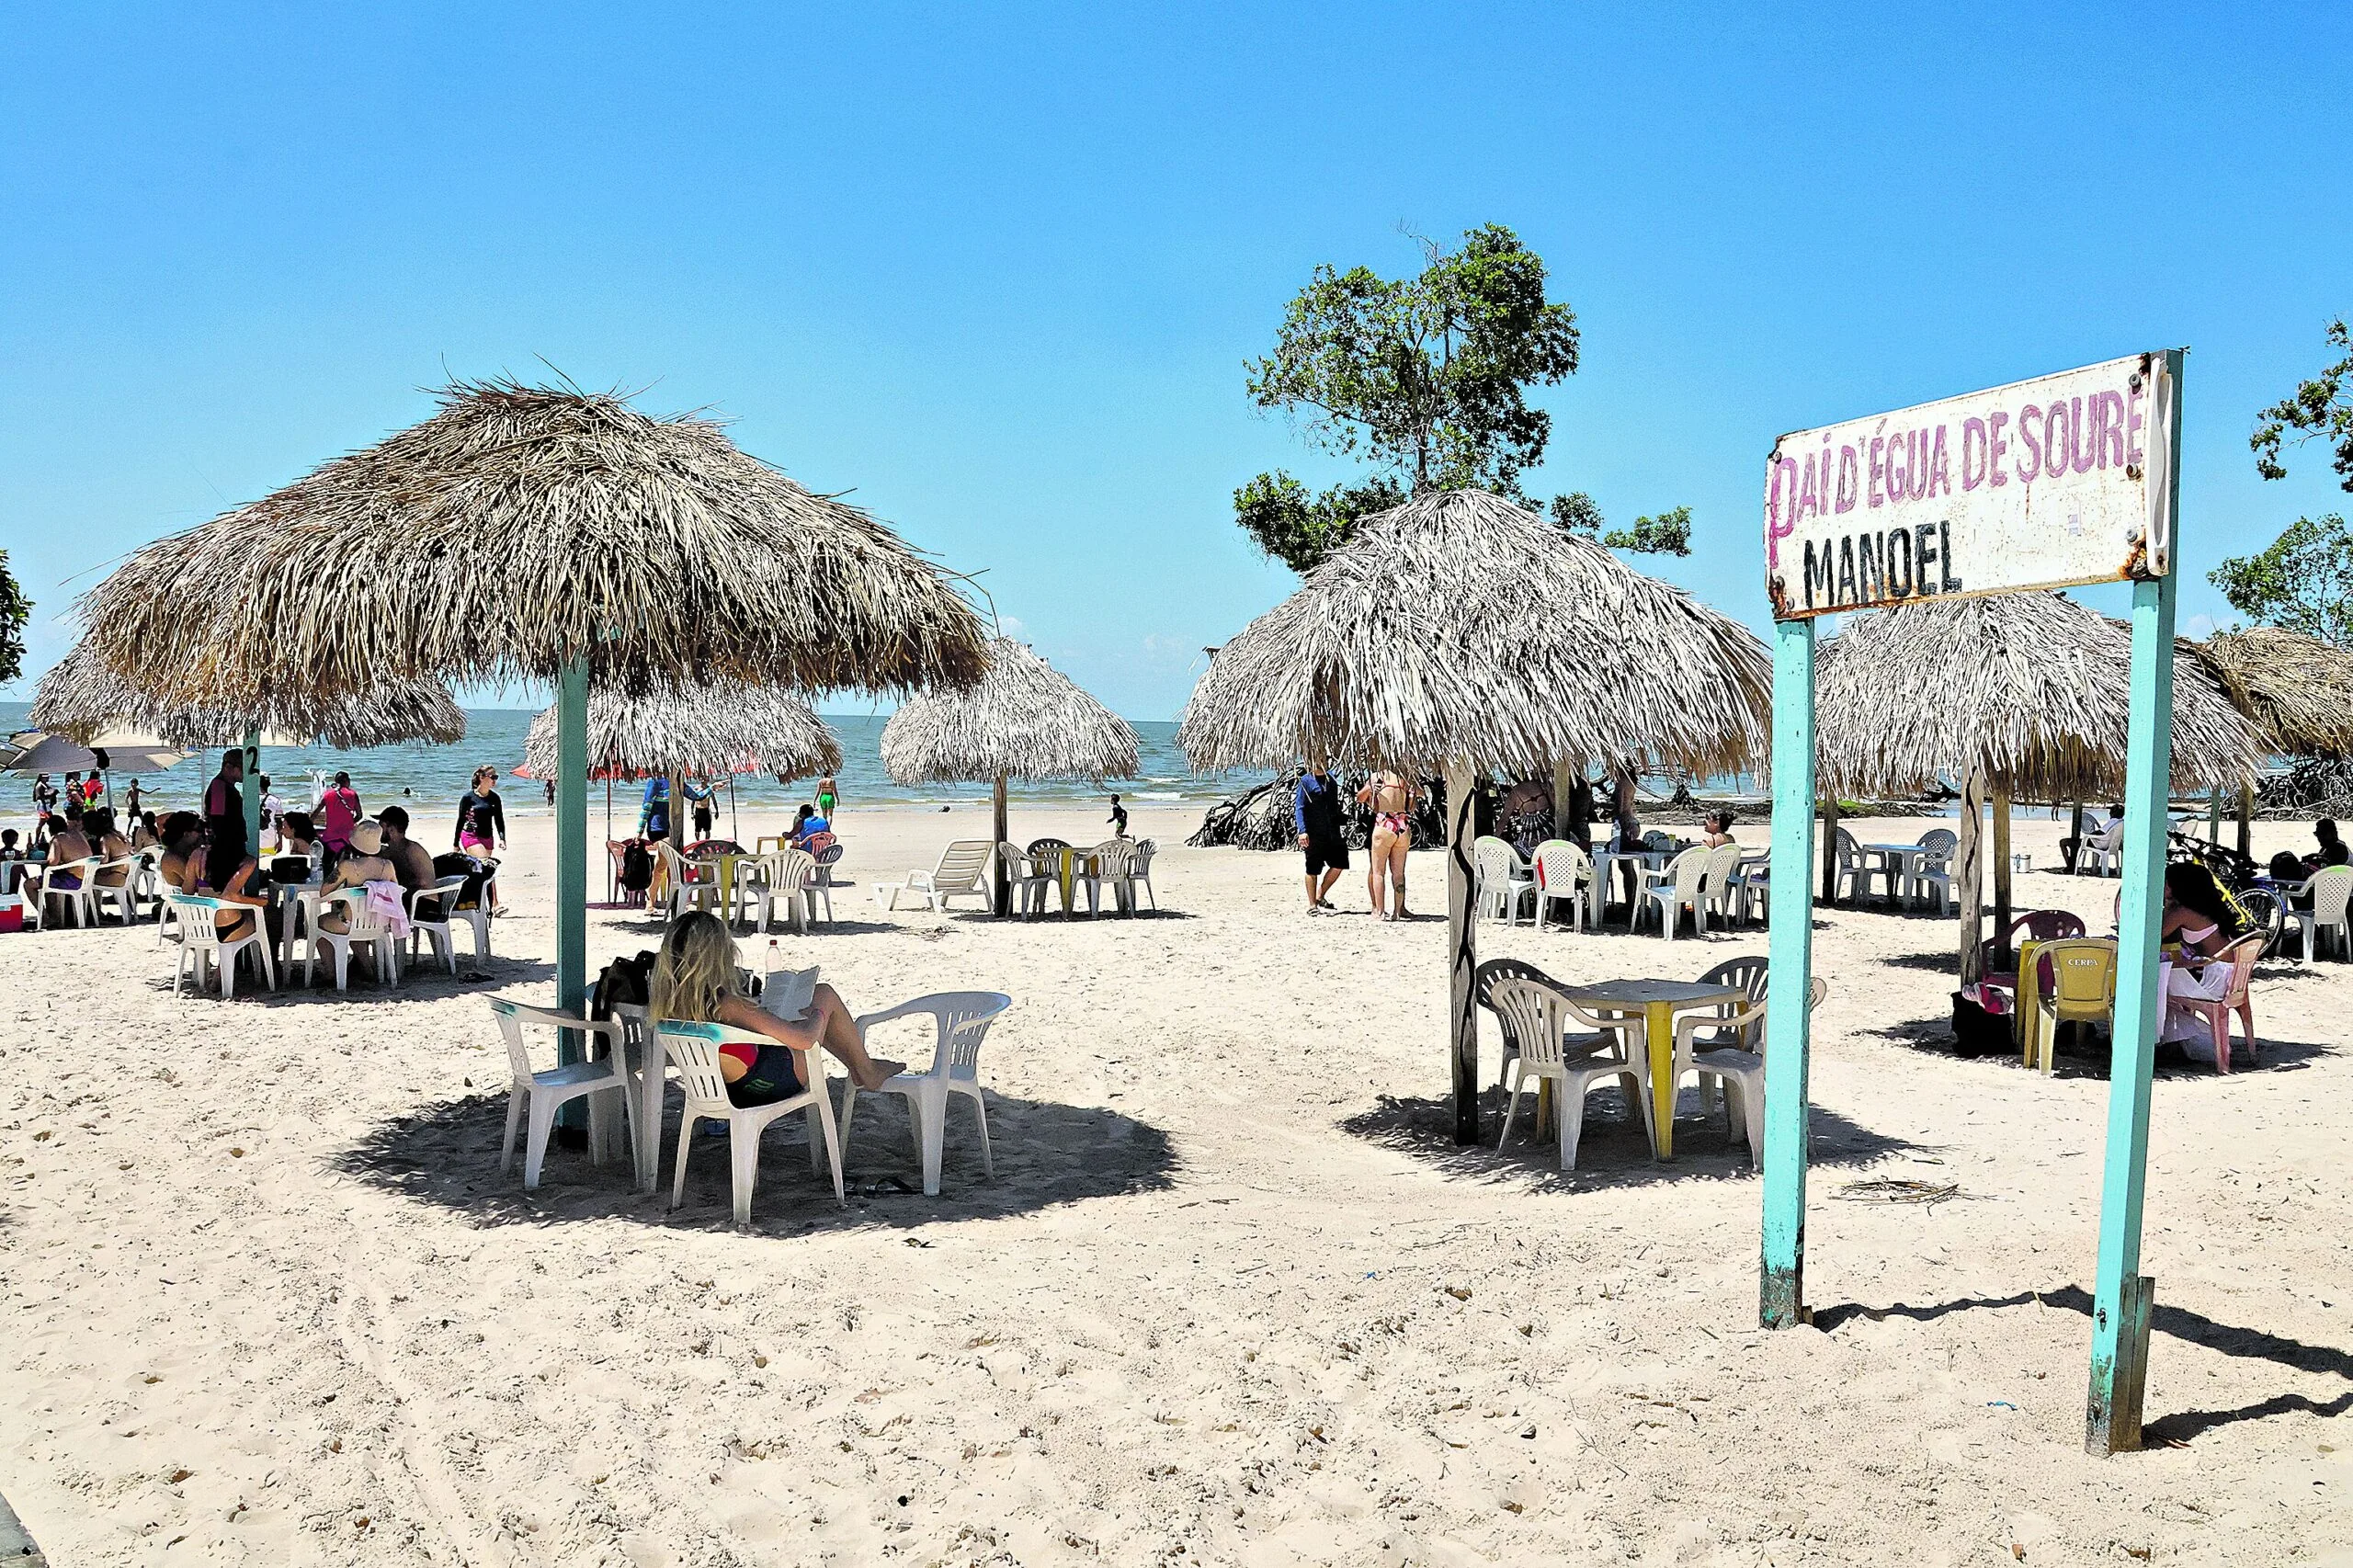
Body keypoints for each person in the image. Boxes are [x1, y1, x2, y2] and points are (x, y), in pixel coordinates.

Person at [647, 911, 904, 1104]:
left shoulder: (669, 1004)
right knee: (823, 995)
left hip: (719, 1087)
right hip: (765, 1084)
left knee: (790, 1019)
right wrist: (818, 1016)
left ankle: (860, 1068)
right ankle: (867, 1071)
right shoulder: (728, 1005)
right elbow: (804, 1040)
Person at [2157, 861, 2245, 1050]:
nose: (2162, 885)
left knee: (2153, 976)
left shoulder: (2183, 912)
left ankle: (2153, 1034)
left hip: (2213, 981)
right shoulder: (2208, 907)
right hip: (2229, 976)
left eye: (2166, 883)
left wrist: (2166, 906)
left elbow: (2154, 937)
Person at [313, 821, 400, 937]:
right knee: (358, 928)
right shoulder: (388, 866)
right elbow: (395, 893)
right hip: (378, 923)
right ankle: (362, 957)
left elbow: (324, 892)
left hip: (348, 923)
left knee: (318, 923)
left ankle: (331, 957)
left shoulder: (348, 866)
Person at [1357, 770, 1417, 921]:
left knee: (1378, 872)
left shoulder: (1377, 776)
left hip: (1384, 823)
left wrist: (1370, 789)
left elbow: (1359, 798)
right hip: (1403, 824)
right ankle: (1398, 911)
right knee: (1398, 873)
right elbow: (1415, 799)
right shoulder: (1407, 777)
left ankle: (1380, 911)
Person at [1294, 765, 1347, 914]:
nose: (1320, 763)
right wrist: (1302, 831)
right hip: (1313, 832)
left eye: (1323, 759)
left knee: (1340, 864)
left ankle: (1320, 894)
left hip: (1332, 830)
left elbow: (1334, 806)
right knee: (1313, 868)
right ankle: (1312, 905)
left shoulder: (1331, 780)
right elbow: (1299, 807)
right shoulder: (1306, 781)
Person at [199, 749, 251, 893]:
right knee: (227, 893)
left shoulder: (226, 787)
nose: (245, 772)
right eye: (242, 768)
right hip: (225, 851)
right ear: (228, 767)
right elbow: (217, 821)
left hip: (228, 848)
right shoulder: (219, 786)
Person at [378, 805, 437, 892]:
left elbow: (423, 883)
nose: (378, 830)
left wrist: (397, 888)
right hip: (407, 898)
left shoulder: (412, 850)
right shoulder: (391, 850)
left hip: (422, 901)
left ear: (391, 830)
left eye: (381, 826)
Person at [2061, 803, 2125, 874]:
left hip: (2097, 843)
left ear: (2113, 813)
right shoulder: (2121, 822)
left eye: (2110, 811)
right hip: (2107, 844)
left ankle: (2070, 866)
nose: (2109, 813)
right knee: (2076, 843)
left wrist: (2090, 835)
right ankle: (2072, 865)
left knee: (2064, 842)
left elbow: (2101, 832)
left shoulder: (2113, 821)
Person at [317, 771, 362, 864]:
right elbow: (360, 815)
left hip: (329, 838)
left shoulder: (327, 794)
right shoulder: (353, 795)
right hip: (346, 839)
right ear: (346, 781)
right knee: (344, 870)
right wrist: (350, 822)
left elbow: (315, 812)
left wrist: (307, 825)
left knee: (327, 869)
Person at [257, 773, 286, 850]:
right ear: (269, 784)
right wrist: (280, 841)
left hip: (252, 842)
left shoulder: (249, 800)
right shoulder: (275, 801)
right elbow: (279, 823)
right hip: (269, 843)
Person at [639, 776, 671, 842]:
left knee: (663, 850)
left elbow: (647, 806)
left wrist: (640, 831)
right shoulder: (677, 780)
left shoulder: (654, 781)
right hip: (673, 826)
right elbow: (693, 795)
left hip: (656, 827)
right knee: (668, 850)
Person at [685, 777, 716, 843]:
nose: (702, 780)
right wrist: (692, 813)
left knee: (707, 829)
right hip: (698, 810)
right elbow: (693, 801)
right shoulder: (696, 788)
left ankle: (706, 842)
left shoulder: (709, 790)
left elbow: (714, 800)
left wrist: (717, 811)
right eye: (702, 779)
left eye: (704, 779)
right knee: (697, 829)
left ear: (707, 780)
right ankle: (698, 842)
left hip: (706, 810)